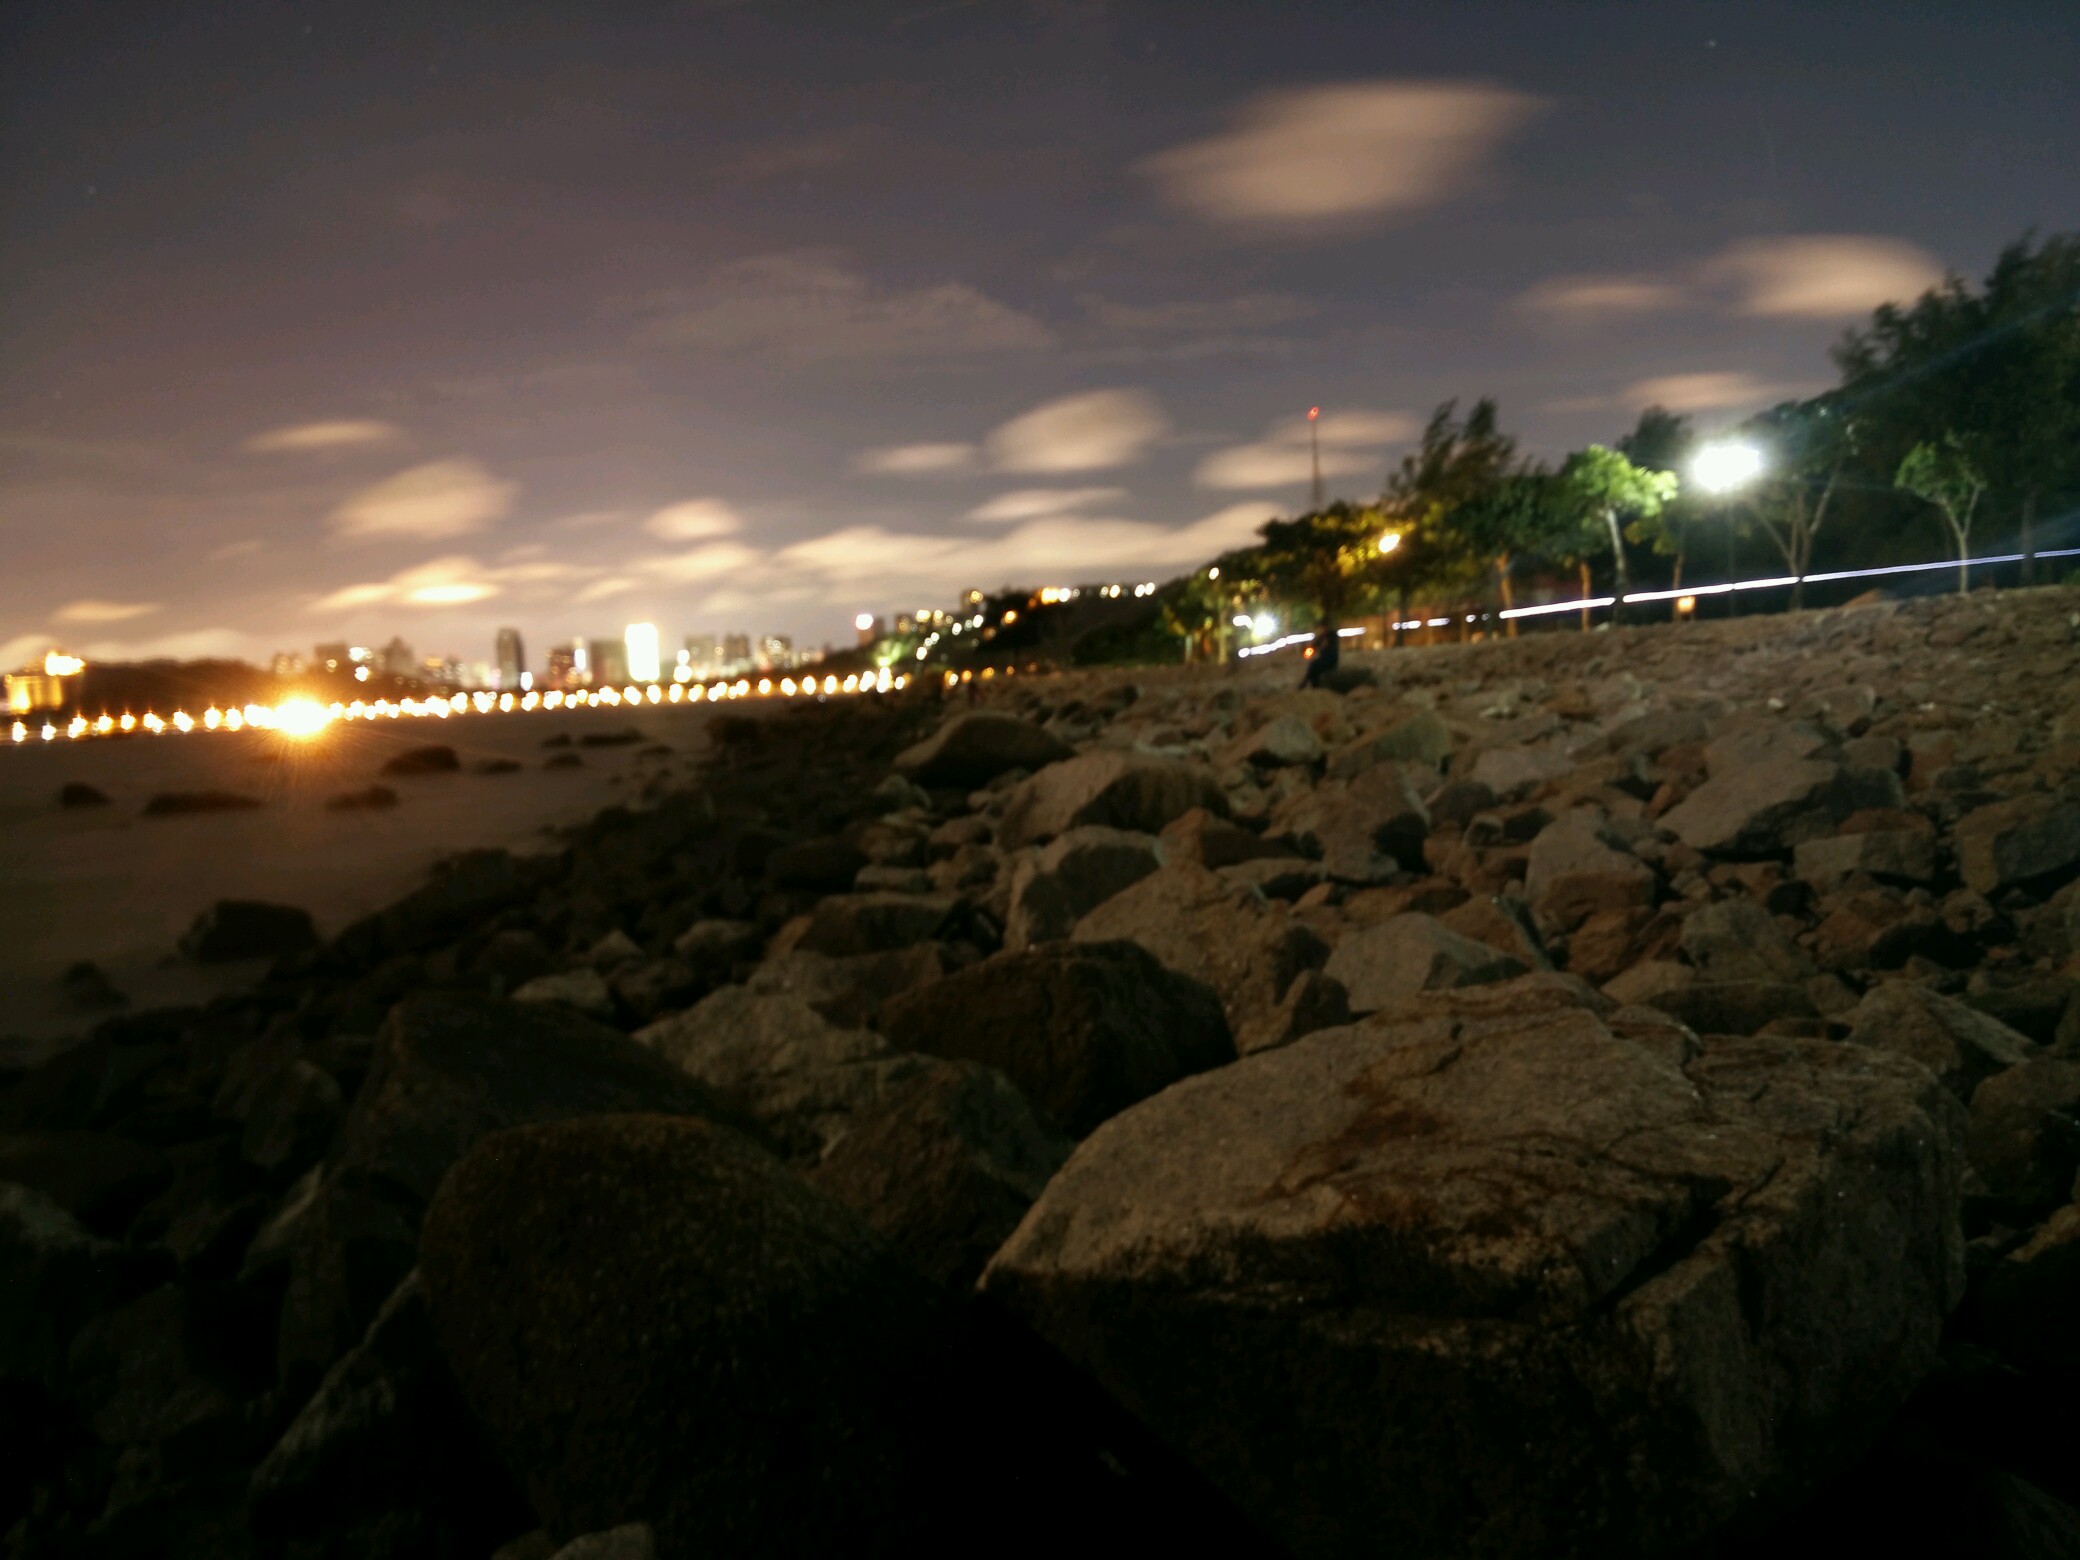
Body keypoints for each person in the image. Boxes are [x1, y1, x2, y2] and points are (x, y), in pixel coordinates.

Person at [1299, 618, 1341, 689]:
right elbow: (1312, 649)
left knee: (1314, 665)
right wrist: (1306, 650)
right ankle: (1313, 686)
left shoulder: (1332, 635)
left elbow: (1330, 647)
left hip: (1331, 658)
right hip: (1324, 659)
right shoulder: (1321, 637)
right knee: (1314, 667)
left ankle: (1304, 683)